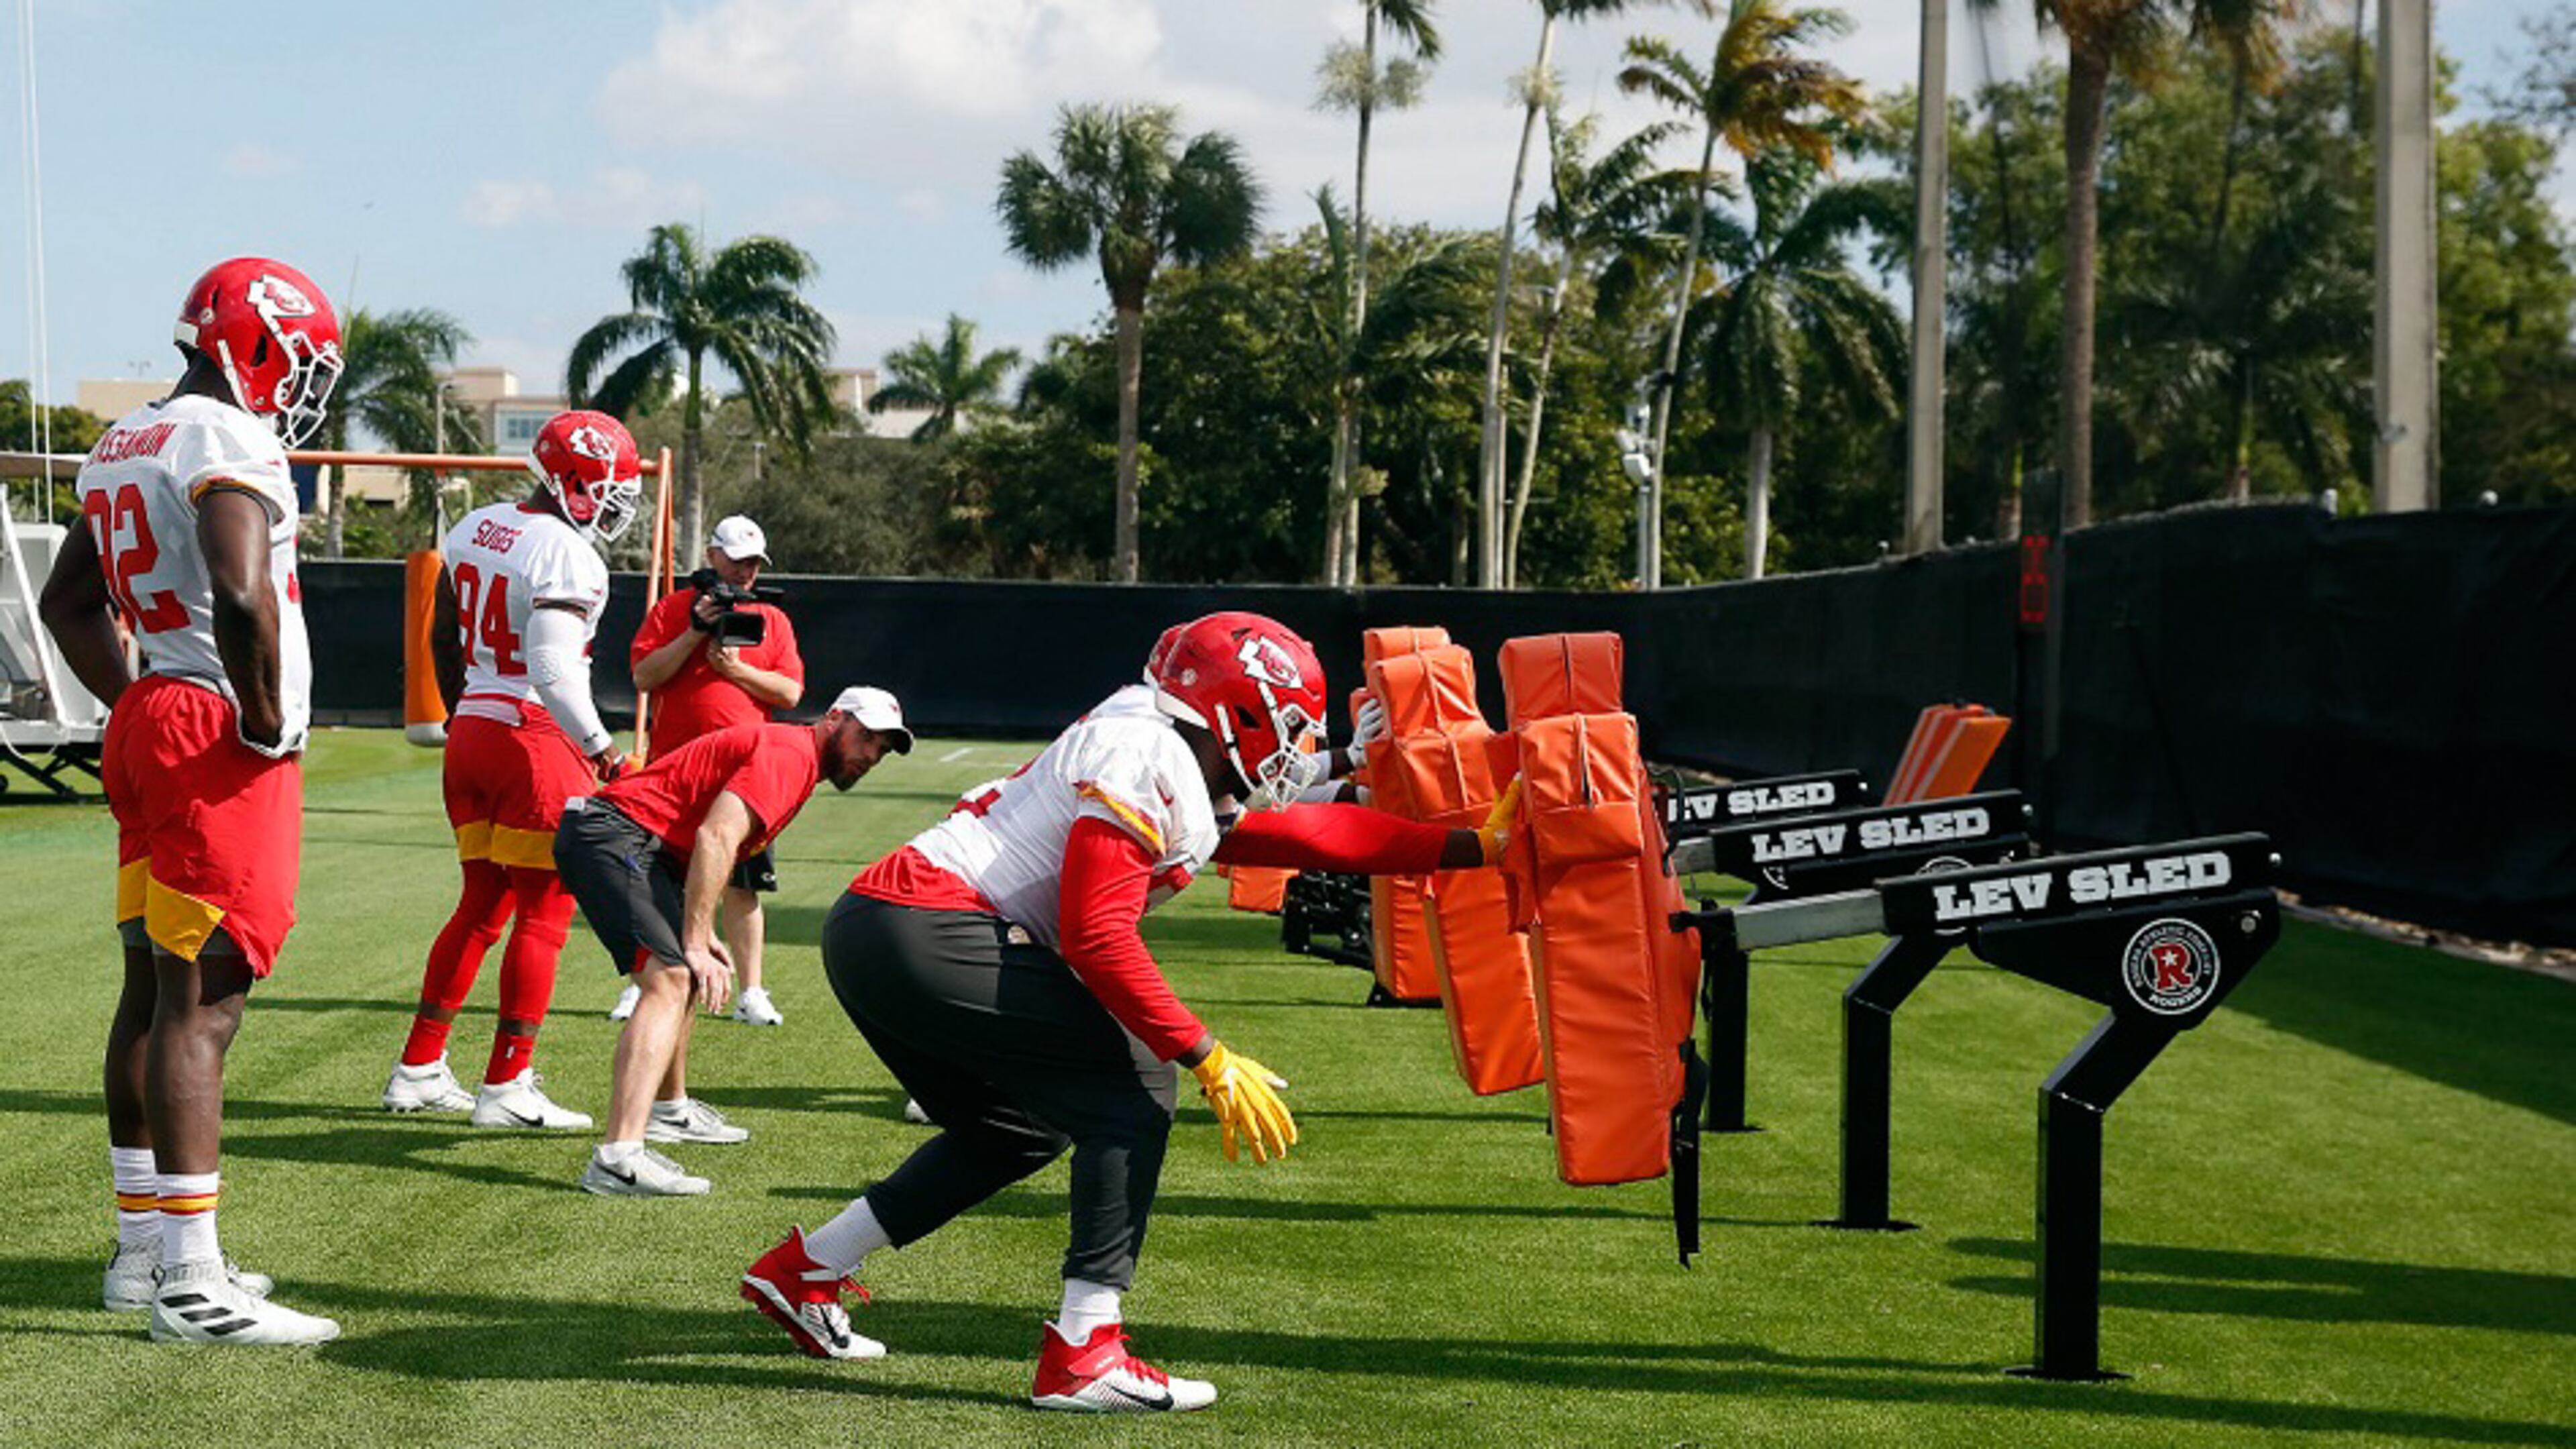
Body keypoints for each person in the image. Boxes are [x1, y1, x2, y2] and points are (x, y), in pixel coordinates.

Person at [736, 612, 1509, 1410]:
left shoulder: (1162, 740)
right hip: (928, 924)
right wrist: (1203, 1054)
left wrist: (1471, 849)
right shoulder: (1151, 754)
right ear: (1237, 711)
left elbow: (1307, 832)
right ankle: (1084, 1355)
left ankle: (807, 1269)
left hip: (886, 931)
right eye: (1289, 727)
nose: (1300, 748)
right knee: (1135, 1090)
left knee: (1019, 1129)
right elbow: (1097, 934)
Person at [37, 257, 345, 1345]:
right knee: (203, 1007)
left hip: (155, 716)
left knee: (150, 991)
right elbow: (240, 588)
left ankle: (144, 1251)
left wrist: (138, 700)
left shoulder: (126, 440)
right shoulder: (226, 438)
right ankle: (194, 1283)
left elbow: (65, 601)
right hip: (212, 730)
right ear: (253, 341)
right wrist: (256, 715)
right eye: (300, 359)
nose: (303, 386)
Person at [380, 411, 642, 1129]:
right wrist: (603, 750)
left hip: (475, 727)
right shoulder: (569, 554)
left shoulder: (475, 526)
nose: (618, 499)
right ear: (574, 480)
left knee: (481, 906)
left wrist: (469, 708)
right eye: (609, 485)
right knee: (545, 914)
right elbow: (556, 670)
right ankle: (508, 1082)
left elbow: (441, 635)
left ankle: (420, 1067)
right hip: (533, 735)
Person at [560, 688, 912, 1195]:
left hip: (633, 842)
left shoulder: (796, 758)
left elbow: (712, 842)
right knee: (673, 977)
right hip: (612, 835)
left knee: (681, 971)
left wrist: (696, 935)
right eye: (867, 736)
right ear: (834, 717)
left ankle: (669, 1110)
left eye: (883, 748)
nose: (871, 754)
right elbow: (716, 836)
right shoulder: (792, 755)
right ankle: (617, 1158)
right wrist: (699, 939)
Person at [617, 515, 803, 1027]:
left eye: (753, 564)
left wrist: (738, 670)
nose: (745, 573)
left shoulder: (773, 619)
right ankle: (643, 984)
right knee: (656, 883)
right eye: (738, 561)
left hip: (745, 773)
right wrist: (695, 632)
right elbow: (643, 675)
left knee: (744, 884)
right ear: (712, 556)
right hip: (674, 773)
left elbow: (790, 692)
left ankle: (753, 991)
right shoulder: (672, 610)